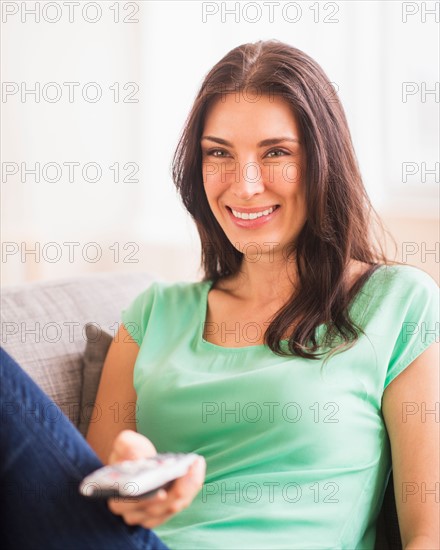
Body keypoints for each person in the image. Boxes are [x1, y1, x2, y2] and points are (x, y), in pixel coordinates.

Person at [1, 39, 439, 549]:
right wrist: (129, 465)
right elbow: (91, 500)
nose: (244, 184)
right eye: (219, 154)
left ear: (323, 162)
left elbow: (428, 532)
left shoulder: (396, 303)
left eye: (275, 152)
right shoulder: (153, 314)